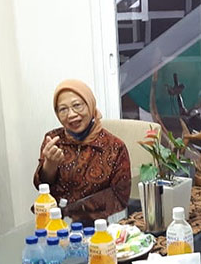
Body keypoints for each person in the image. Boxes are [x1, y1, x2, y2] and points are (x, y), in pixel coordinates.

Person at [33, 79, 131, 221]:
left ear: (90, 105)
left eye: (77, 105)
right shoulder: (53, 140)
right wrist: (50, 166)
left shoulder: (114, 147)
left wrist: (80, 211)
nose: (71, 114)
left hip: (97, 225)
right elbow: (42, 187)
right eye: (63, 109)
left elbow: (121, 197)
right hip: (54, 222)